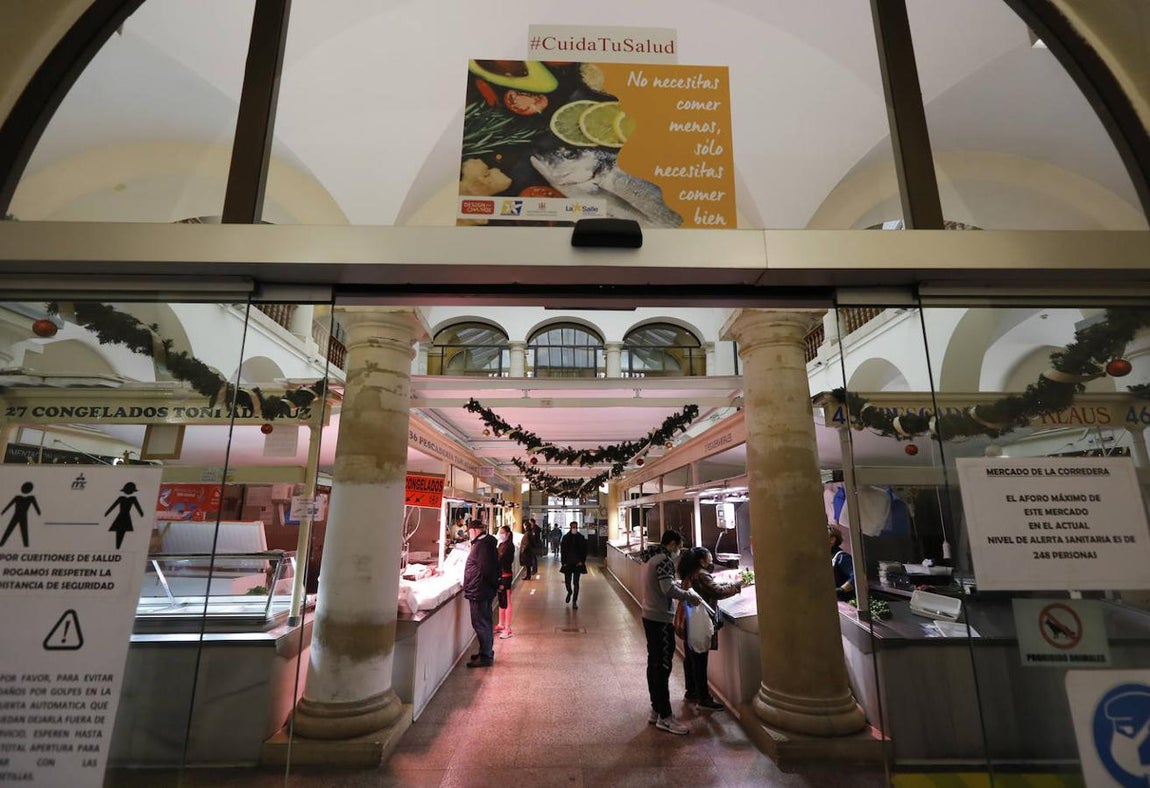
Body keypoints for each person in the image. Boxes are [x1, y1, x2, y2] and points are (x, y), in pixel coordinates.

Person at [640, 529, 701, 735]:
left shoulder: (650, 558)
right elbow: (667, 590)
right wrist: (688, 596)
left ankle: (656, 710)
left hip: (649, 614)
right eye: (679, 546)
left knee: (654, 663)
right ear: (673, 543)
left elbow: (662, 585)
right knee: (663, 666)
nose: (679, 551)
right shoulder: (664, 561)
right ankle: (666, 716)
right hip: (660, 617)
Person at [677, 546, 746, 711]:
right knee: (700, 660)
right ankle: (704, 698)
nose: (711, 558)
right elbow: (718, 592)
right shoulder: (701, 574)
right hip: (698, 624)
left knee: (690, 658)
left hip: (688, 620)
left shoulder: (691, 572)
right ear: (702, 560)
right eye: (708, 556)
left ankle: (691, 691)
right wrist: (738, 585)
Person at [463, 519, 499, 668]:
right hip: (483, 589)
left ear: (475, 531)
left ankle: (486, 656)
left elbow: (486, 569)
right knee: (486, 621)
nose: (469, 534)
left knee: (480, 623)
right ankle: (486, 651)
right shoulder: (485, 544)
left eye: (470, 531)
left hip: (479, 590)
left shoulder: (482, 546)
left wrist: (494, 584)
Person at [559, 520, 588, 609]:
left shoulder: (581, 537)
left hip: (578, 564)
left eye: (576, 527)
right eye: (573, 527)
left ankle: (574, 601)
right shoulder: (565, 537)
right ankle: (569, 592)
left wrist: (582, 561)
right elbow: (562, 551)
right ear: (570, 527)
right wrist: (563, 562)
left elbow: (584, 551)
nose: (575, 529)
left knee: (576, 582)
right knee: (567, 581)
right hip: (568, 563)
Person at [495, 524, 515, 639]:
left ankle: (508, 628)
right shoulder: (502, 544)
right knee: (501, 600)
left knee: (507, 601)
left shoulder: (509, 546)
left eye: (502, 532)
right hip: (500, 574)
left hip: (506, 575)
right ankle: (501, 624)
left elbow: (500, 559)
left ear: (507, 534)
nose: (501, 534)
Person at [829, 525, 855, 601]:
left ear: (832, 540)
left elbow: (856, 578)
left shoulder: (841, 557)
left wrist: (841, 590)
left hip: (843, 604)